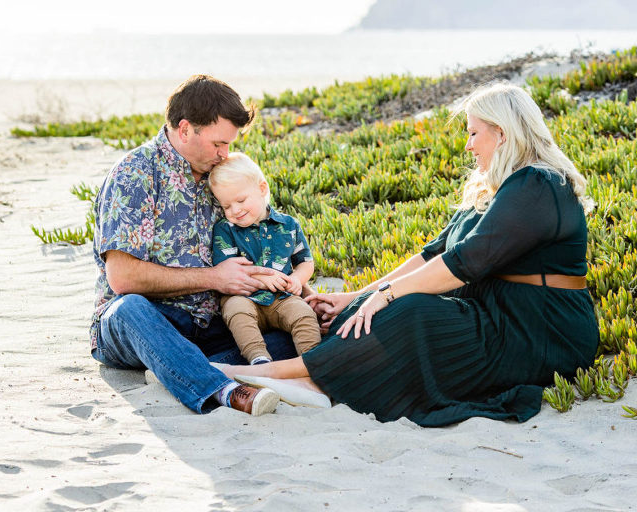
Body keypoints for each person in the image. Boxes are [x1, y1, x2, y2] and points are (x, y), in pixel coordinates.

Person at [218, 82, 599, 426]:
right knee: (360, 312)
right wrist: (357, 297)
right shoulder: (496, 187)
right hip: (500, 313)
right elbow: (434, 252)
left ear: (500, 133)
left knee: (409, 310)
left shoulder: (538, 183)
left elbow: (465, 262)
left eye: (472, 133)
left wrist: (386, 296)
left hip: (541, 331)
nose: (468, 145)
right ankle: (314, 379)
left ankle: (292, 374)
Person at [90, 75, 299, 416]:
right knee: (129, 309)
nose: (225, 154)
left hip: (214, 324)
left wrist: (293, 286)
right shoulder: (135, 174)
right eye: (218, 144)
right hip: (144, 321)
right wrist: (214, 278)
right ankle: (226, 391)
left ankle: (176, 368)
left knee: (291, 332)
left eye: (229, 145)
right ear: (185, 130)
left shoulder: (222, 174)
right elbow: (122, 278)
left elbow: (262, 238)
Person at [209, 152, 321, 366]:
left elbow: (305, 261)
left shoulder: (288, 225)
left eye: (241, 200)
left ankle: (313, 361)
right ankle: (258, 359)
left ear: (261, 189)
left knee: (304, 314)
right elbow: (226, 271)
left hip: (282, 297)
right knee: (237, 312)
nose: (235, 210)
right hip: (244, 296)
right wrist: (260, 279)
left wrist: (297, 279)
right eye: (226, 206)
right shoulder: (225, 230)